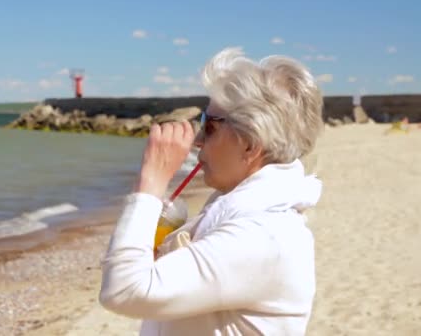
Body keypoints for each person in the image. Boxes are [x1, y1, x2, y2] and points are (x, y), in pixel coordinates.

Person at [99, 47, 324, 335]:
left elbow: (123, 291)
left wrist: (150, 184)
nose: (197, 139)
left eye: (210, 126)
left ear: (250, 144)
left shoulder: (262, 235)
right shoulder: (240, 213)